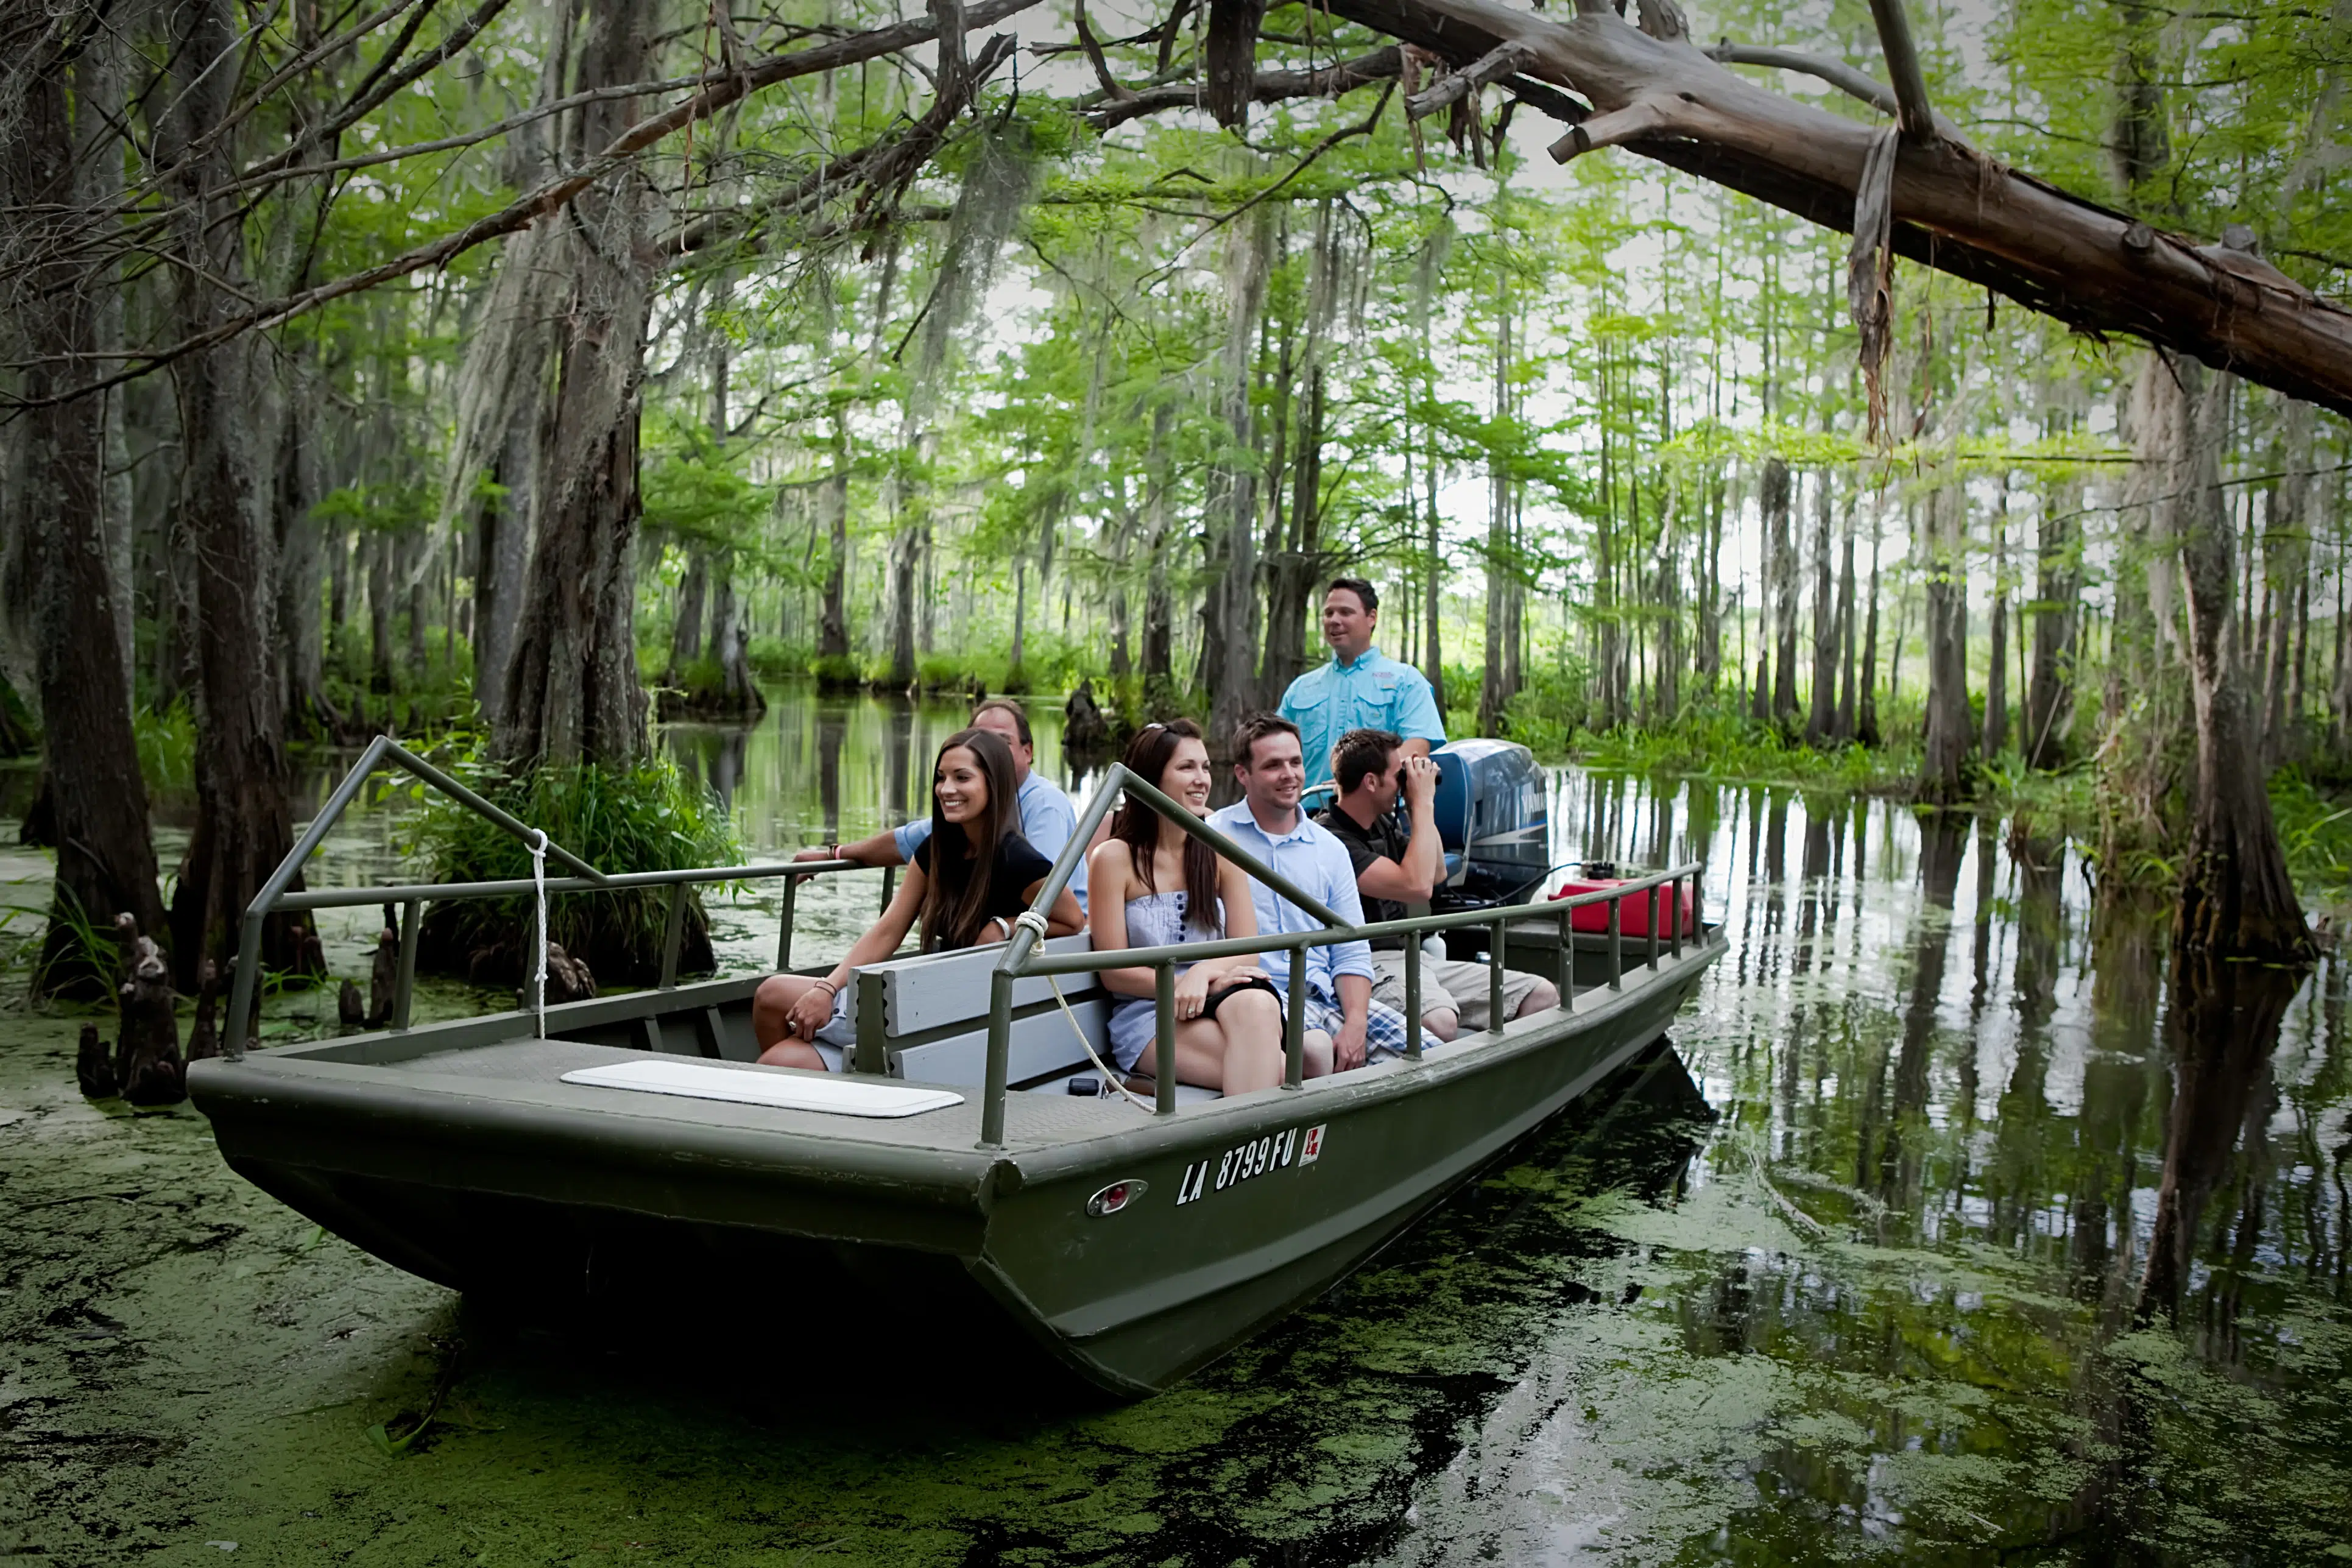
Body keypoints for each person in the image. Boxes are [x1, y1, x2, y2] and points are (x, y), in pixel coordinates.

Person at [755, 728, 1084, 1070]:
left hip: (955, 1019)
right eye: (941, 778)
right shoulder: (937, 851)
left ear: (993, 783)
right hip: (924, 1003)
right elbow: (888, 930)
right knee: (771, 997)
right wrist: (827, 989)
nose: (947, 789)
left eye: (963, 778)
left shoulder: (1019, 861)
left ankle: (829, 1074)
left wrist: (1004, 926)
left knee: (777, 1057)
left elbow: (1073, 921)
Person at [1205, 714, 1436, 1074]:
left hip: (1325, 996)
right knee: (1316, 1052)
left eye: (1295, 762)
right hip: (1258, 1001)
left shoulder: (1329, 848)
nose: (1290, 774)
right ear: (1242, 775)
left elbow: (1351, 948)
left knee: (1432, 1054)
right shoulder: (1211, 836)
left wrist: (1356, 1023)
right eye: (1273, 766)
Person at [1316, 727, 1561, 1039]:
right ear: (1371, 782)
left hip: (1412, 957)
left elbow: (1436, 875)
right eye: (1398, 776)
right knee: (1440, 1021)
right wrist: (1422, 803)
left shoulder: (1381, 826)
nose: (1404, 784)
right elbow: (1416, 887)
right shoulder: (1331, 840)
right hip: (1367, 966)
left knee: (1541, 995)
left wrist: (1423, 807)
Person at [1087, 720, 1287, 1095]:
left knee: (1259, 1007)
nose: (1202, 779)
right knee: (1276, 1070)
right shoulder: (1114, 858)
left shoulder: (1220, 849)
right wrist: (1183, 983)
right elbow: (1114, 971)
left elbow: (1249, 949)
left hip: (1218, 994)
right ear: (1150, 778)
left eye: (1206, 767)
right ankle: (1237, 1147)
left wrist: (1204, 977)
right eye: (1186, 768)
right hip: (1150, 1012)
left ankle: (1238, 1146)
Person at [793, 697, 1087, 909]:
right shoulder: (968, 813)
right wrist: (833, 855)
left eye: (1003, 742)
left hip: (1043, 956)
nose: (992, 752)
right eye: (984, 742)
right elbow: (903, 842)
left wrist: (997, 926)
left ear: (1028, 751)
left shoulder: (1046, 806)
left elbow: (1047, 901)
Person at [1277, 578, 1445, 792]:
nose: (1334, 620)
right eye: (1329, 613)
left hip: (1380, 819)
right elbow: (1275, 750)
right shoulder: (1301, 688)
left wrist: (1358, 788)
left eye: (1345, 612)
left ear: (1371, 618)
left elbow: (1417, 748)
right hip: (1305, 816)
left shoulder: (1407, 681)